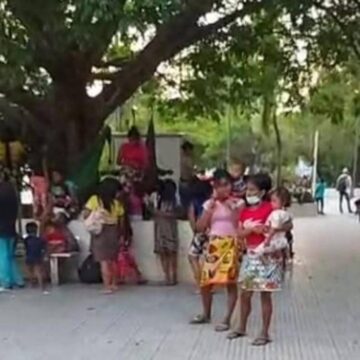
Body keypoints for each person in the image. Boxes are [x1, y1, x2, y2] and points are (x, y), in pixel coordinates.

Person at [228, 174, 292, 346]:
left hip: (269, 257)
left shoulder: (271, 208)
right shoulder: (245, 211)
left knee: (265, 295)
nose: (248, 193)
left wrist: (271, 229)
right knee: (245, 293)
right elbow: (239, 233)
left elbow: (287, 223)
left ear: (262, 192)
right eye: (247, 189)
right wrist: (251, 231)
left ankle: (264, 332)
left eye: (252, 190)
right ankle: (241, 326)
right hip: (251, 255)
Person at [190, 169, 244, 332]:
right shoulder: (209, 204)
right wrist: (210, 206)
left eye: (226, 185)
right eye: (219, 186)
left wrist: (230, 205)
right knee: (206, 281)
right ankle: (206, 313)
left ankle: (227, 318)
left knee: (230, 283)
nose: (223, 189)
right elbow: (199, 227)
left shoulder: (238, 203)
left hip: (231, 243)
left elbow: (237, 221)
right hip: (213, 243)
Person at [84, 178, 124, 294]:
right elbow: (121, 221)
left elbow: (86, 213)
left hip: (100, 231)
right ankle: (114, 283)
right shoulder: (117, 203)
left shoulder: (94, 200)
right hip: (113, 231)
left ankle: (107, 286)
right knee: (113, 260)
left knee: (104, 261)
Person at [188, 177, 212, 288]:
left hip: (200, 232)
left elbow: (192, 218)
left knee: (192, 256)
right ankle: (209, 284)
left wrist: (195, 231)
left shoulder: (194, 202)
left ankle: (200, 283)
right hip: (212, 232)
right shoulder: (211, 201)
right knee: (208, 259)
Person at [0, 180, 24, 290]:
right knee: (10, 256)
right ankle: (18, 280)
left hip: (1, 230)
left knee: (3, 256)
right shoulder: (12, 200)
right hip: (11, 229)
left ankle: (6, 281)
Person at [154, 179, 179, 285]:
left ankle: (168, 276)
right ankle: (171, 276)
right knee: (170, 253)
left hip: (162, 228)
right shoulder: (173, 200)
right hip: (169, 228)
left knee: (166, 253)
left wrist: (159, 213)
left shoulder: (161, 200)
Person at [24, 222, 47, 291]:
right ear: (36, 230)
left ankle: (32, 284)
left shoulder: (26, 239)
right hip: (38, 256)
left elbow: (25, 248)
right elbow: (44, 247)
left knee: (29, 271)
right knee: (38, 271)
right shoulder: (40, 239)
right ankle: (41, 286)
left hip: (29, 256)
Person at [179, 141, 195, 213]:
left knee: (184, 201)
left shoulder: (181, 159)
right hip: (187, 183)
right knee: (188, 202)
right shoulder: (188, 160)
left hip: (182, 182)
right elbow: (191, 172)